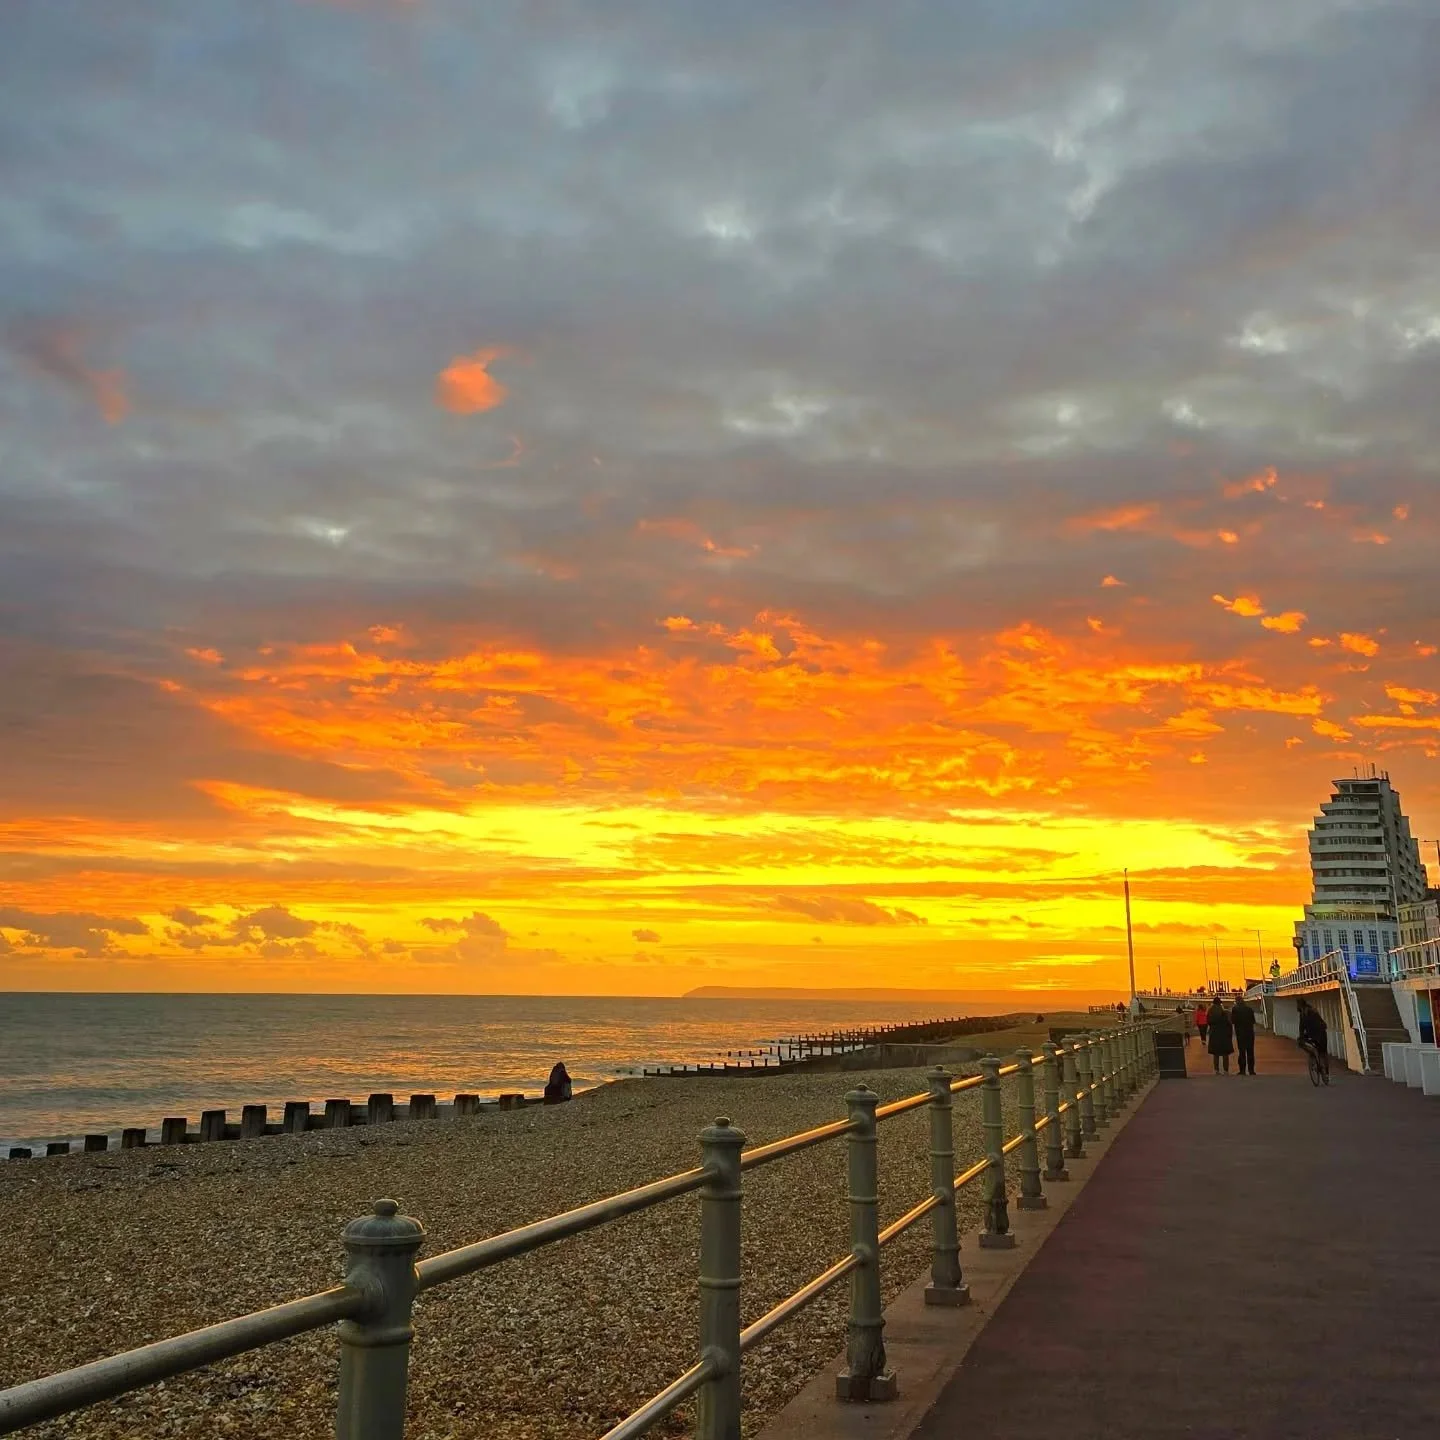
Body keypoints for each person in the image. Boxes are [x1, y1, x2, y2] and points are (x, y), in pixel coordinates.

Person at [1297, 1000, 1330, 1078]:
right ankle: (1326, 1072)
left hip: (1317, 1033)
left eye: (1298, 1005)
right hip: (1317, 1032)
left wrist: (1302, 1036)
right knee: (1323, 1053)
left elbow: (1302, 1027)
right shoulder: (1308, 1012)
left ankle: (1325, 1071)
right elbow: (1302, 1027)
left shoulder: (1308, 1013)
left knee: (1322, 1052)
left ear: (1300, 1006)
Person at [1231, 993, 1257, 1075]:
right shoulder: (1249, 1009)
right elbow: (1253, 1021)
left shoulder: (1235, 1009)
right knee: (1250, 1052)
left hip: (1240, 1033)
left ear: (1236, 1001)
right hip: (1250, 1033)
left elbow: (1233, 1021)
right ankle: (1251, 1070)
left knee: (1242, 1052)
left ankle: (1242, 1070)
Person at [1206, 997, 1234, 1073]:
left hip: (1214, 1034)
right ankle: (1226, 1070)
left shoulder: (1210, 1012)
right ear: (1220, 1003)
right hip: (1224, 1034)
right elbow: (1229, 1024)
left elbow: (1209, 1022)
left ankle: (1216, 1070)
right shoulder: (1225, 1013)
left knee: (1216, 1054)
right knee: (1225, 1053)